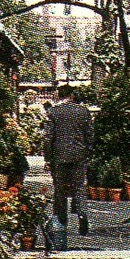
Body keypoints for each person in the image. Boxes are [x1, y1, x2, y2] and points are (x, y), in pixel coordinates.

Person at [45, 84, 93, 236]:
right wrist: (88, 152)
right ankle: (82, 214)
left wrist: (47, 157)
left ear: (59, 95)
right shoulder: (83, 112)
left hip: (59, 156)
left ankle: (62, 219)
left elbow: (48, 137)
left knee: (60, 189)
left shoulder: (53, 112)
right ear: (72, 95)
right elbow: (90, 135)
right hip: (79, 155)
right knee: (79, 186)